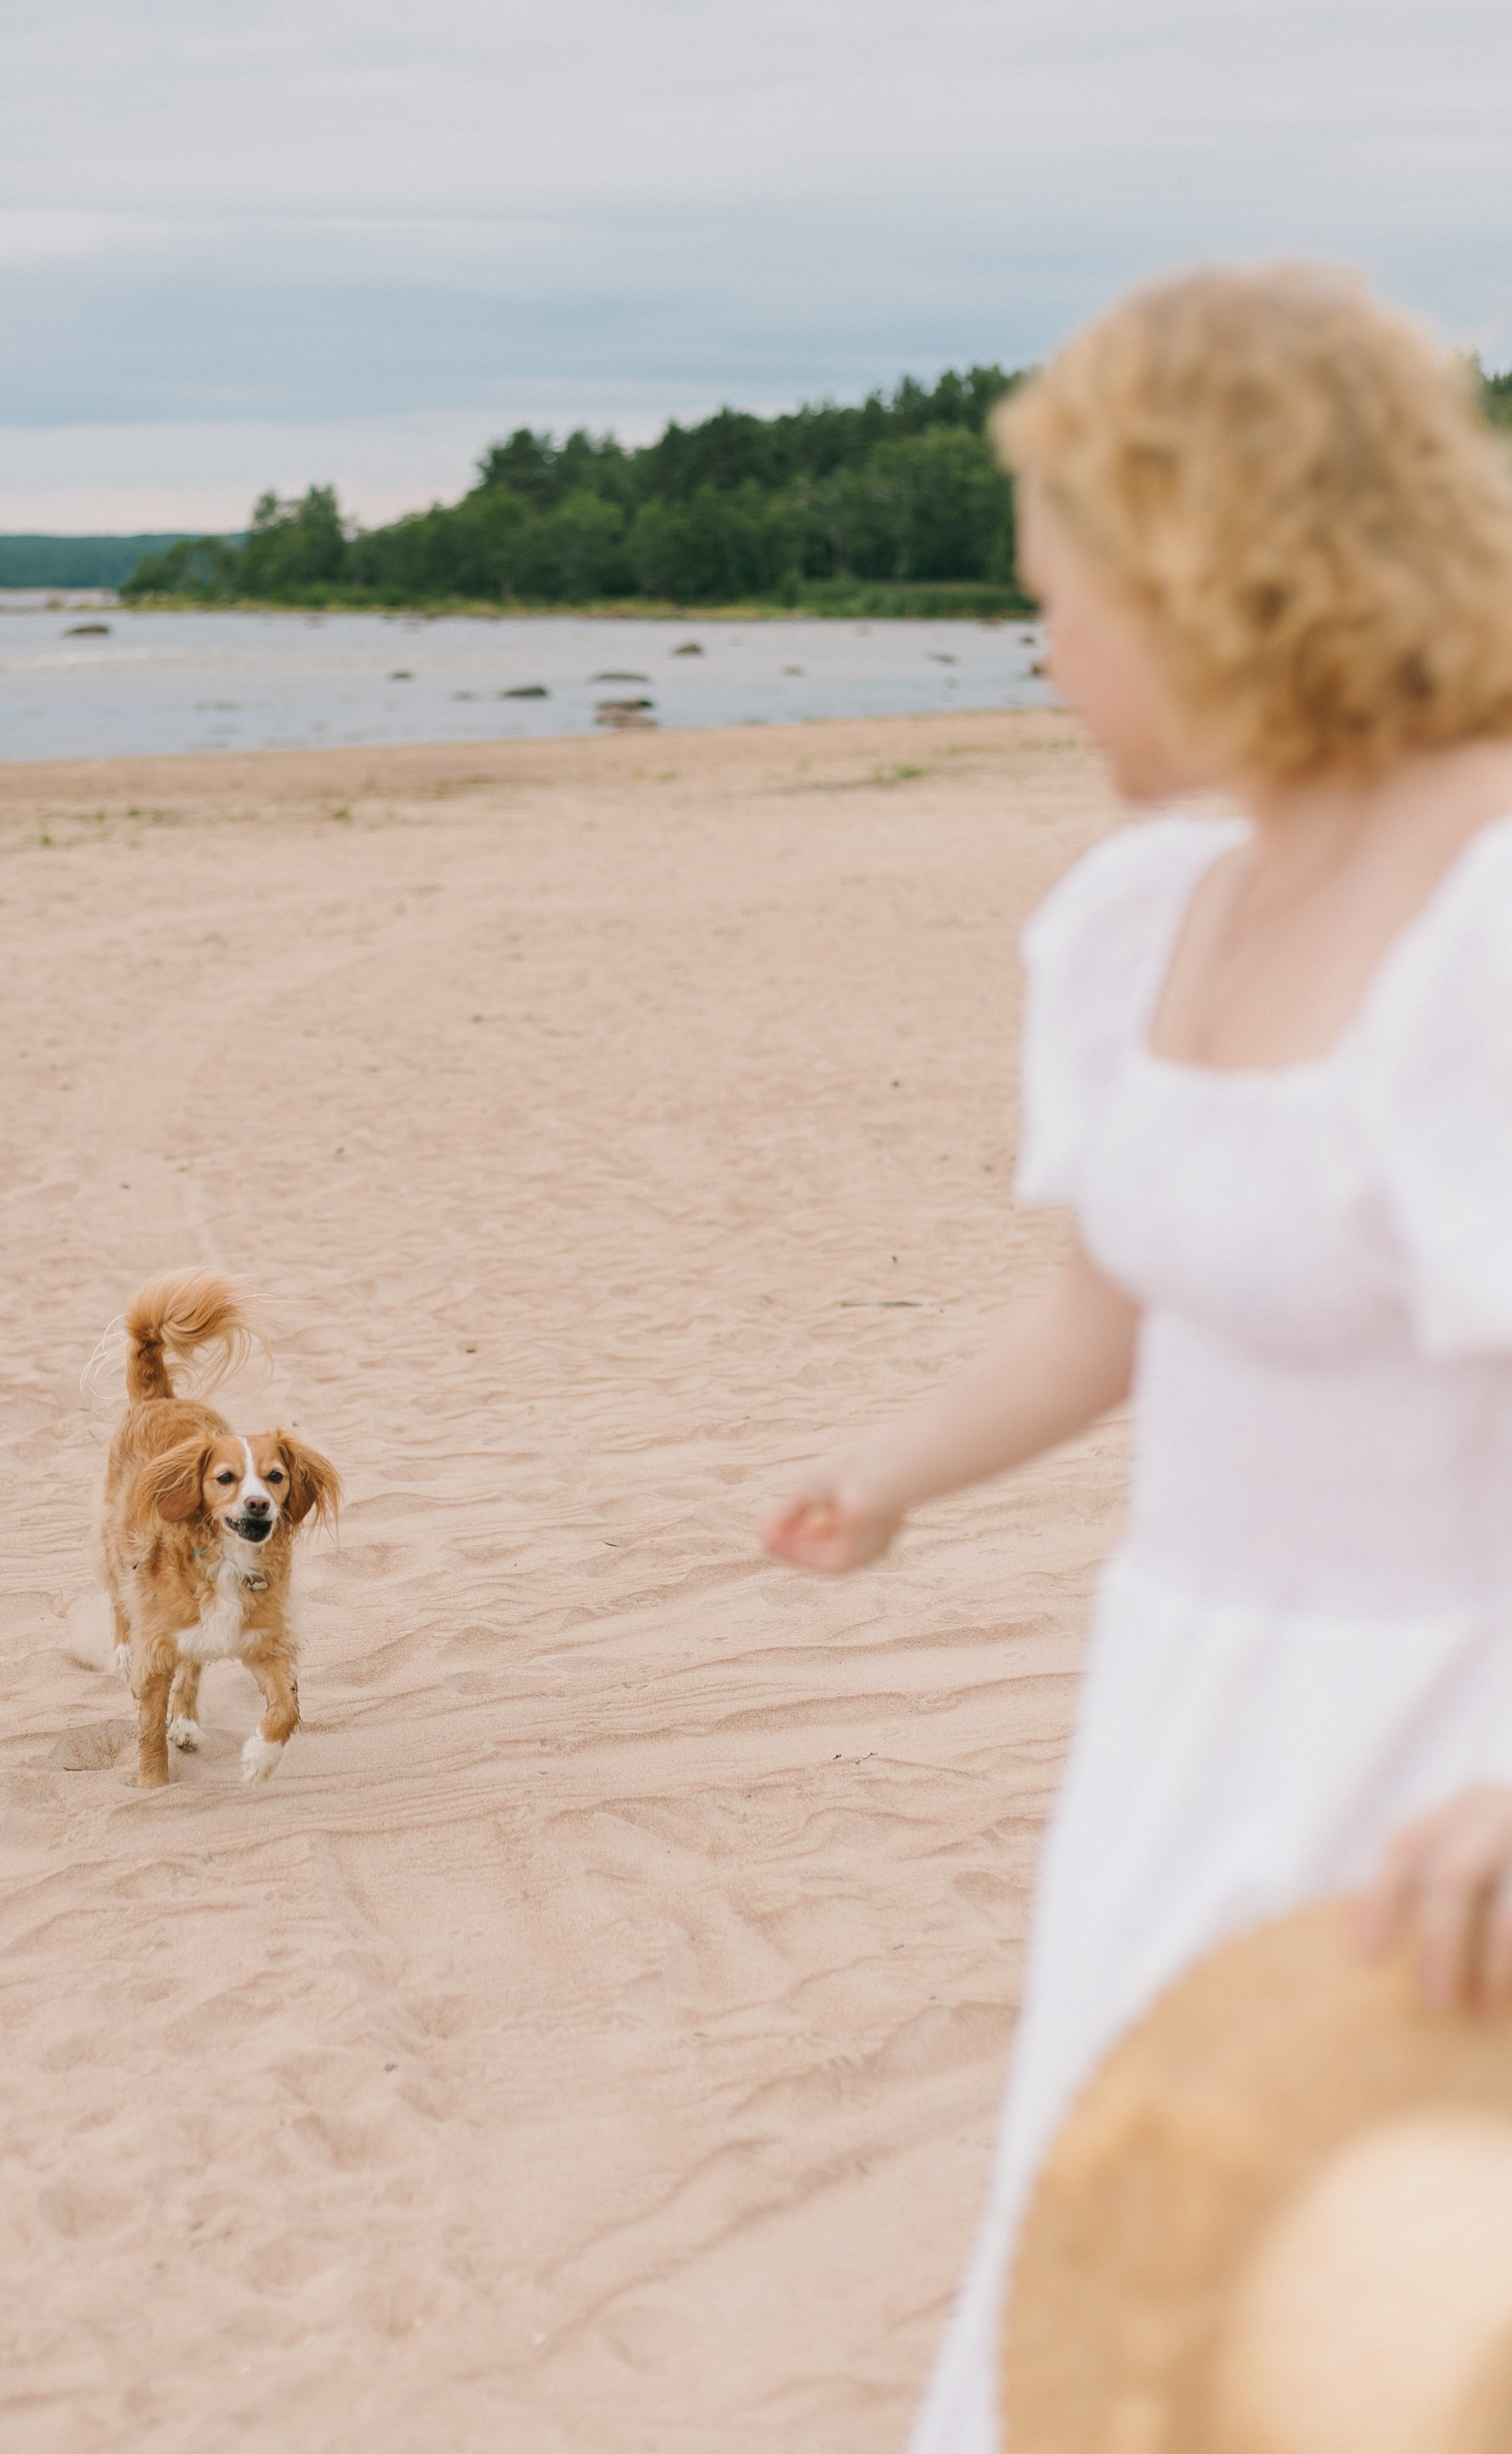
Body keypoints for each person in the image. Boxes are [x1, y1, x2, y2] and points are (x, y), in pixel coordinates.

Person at [760, 263, 1512, 2452]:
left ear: (1212, 575)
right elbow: (1110, 1309)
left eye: (1061, 601)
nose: (1048, 657)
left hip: (1445, 1772)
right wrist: (889, 1469)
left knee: (1391, 2333)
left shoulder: (1496, 924)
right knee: (1135, 2315)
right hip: (1181, 1732)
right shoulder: (1149, 914)